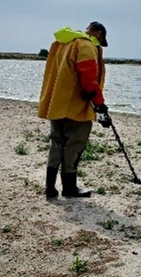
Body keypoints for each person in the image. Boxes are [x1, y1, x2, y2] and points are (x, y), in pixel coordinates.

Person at [37, 22, 112, 199]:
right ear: (99, 34)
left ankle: (50, 188)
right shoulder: (86, 45)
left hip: (57, 103)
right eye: (101, 40)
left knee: (57, 144)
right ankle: (69, 188)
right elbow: (88, 79)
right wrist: (100, 105)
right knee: (74, 145)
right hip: (76, 107)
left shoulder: (63, 43)